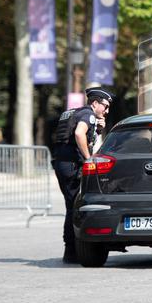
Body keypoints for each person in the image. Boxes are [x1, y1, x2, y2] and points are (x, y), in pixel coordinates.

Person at [50, 87, 112, 263]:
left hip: (62, 163)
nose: (106, 111)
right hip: (71, 166)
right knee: (73, 207)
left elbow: (74, 134)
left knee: (72, 205)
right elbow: (78, 133)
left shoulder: (73, 113)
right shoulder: (88, 115)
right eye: (105, 106)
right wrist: (88, 158)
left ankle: (71, 251)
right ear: (95, 103)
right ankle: (71, 252)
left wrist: (98, 130)